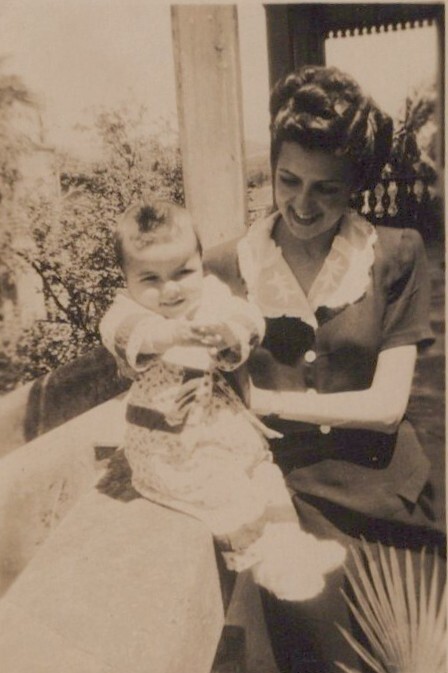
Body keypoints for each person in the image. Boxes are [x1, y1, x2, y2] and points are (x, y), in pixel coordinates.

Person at [203, 65, 445, 672]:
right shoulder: (226, 267)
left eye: (326, 189)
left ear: (354, 186)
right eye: (289, 180)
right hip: (293, 515)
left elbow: (386, 408)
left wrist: (265, 402)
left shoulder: (396, 255)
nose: (303, 205)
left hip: (395, 503)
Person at [99, 198, 345, 601]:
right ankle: (267, 564)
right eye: (151, 279)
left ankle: (292, 548)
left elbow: (248, 318)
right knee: (228, 494)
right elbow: (131, 335)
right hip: (169, 447)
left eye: (183, 272)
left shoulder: (209, 299)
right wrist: (172, 334)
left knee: (265, 475)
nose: (170, 289)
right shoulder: (126, 313)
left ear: (200, 263)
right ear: (126, 280)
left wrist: (230, 333)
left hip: (221, 432)